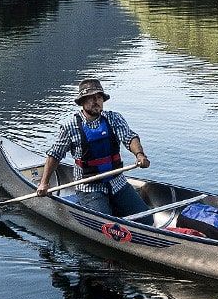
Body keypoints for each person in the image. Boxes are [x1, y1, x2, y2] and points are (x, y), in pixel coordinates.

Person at [37, 78, 150, 217]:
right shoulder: (70, 126)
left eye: (99, 97)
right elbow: (55, 155)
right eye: (91, 98)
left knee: (146, 219)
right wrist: (44, 183)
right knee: (105, 223)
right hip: (89, 186)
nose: (96, 101)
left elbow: (129, 137)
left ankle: (115, 207)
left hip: (117, 181)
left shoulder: (114, 118)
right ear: (82, 102)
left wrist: (139, 155)